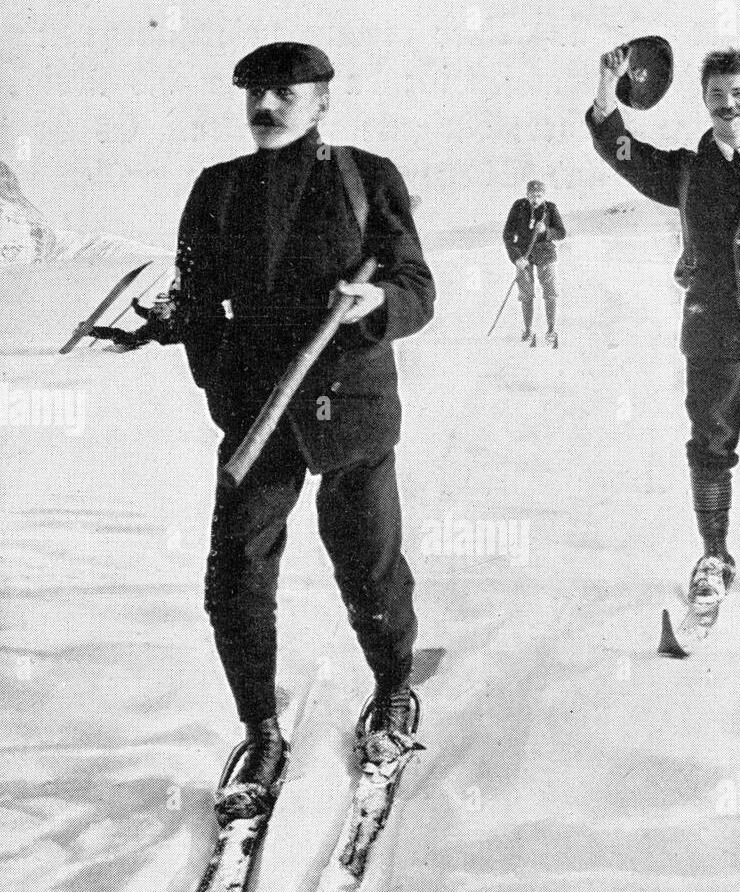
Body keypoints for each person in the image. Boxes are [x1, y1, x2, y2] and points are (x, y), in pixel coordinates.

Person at [118, 41, 435, 815]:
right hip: (257, 411)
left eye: (284, 94)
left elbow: (417, 287)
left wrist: (378, 307)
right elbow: (194, 303)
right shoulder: (217, 190)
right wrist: (218, 383)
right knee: (235, 572)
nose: (265, 108)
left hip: (350, 402)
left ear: (323, 100)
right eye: (254, 95)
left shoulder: (368, 177)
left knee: (367, 559)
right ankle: (260, 730)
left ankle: (394, 690)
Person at [586, 46, 740, 610]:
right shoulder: (686, 172)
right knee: (711, 442)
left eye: (738, 93)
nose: (727, 104)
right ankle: (714, 555)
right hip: (712, 322)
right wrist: (607, 87)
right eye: (716, 95)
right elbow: (620, 149)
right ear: (704, 100)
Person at [502, 180, 566, 347]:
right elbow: (507, 235)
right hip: (524, 257)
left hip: (546, 255)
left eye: (539, 196)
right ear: (527, 194)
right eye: (532, 195)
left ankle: (551, 330)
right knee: (525, 293)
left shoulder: (550, 209)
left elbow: (561, 232)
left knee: (550, 292)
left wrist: (546, 231)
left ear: (544, 196)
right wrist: (516, 258)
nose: (535, 199)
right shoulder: (518, 207)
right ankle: (528, 329)